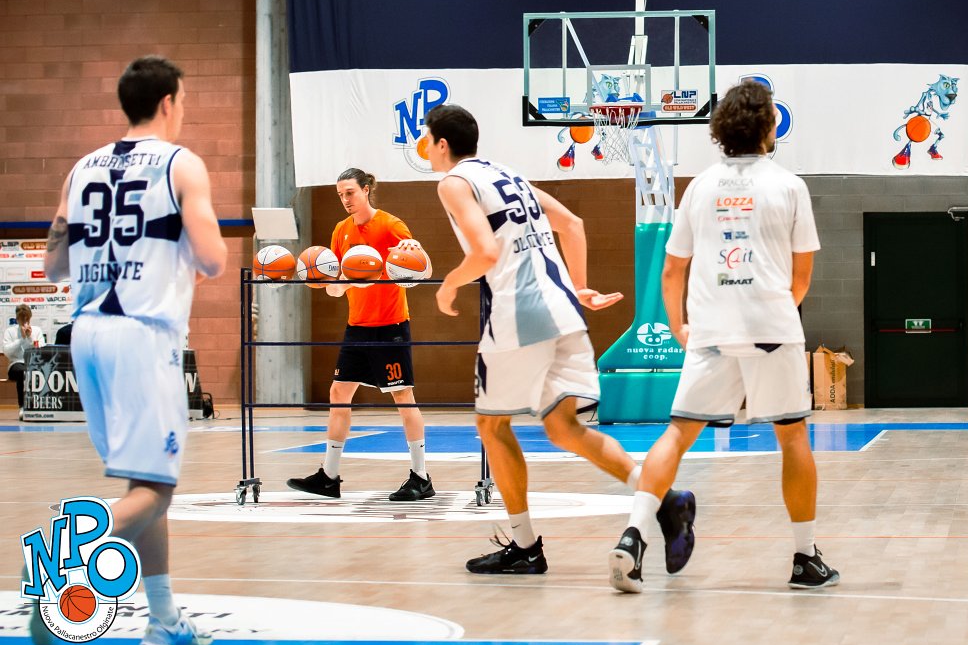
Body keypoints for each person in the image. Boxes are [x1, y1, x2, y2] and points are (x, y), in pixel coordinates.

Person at [421, 103, 677, 574]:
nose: (426, 148)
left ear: (441, 144)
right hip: (564, 313)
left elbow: (485, 252)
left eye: (426, 138)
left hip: (519, 315)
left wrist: (449, 284)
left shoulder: (453, 182)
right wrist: (579, 286)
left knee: (492, 427)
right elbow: (573, 224)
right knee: (565, 429)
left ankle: (525, 547)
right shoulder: (509, 175)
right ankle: (666, 498)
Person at [607, 80, 838, 594]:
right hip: (772, 328)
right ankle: (805, 558)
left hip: (710, 329)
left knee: (677, 434)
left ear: (721, 129)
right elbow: (801, 277)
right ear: (768, 126)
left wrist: (678, 326)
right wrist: (774, 314)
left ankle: (632, 535)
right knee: (793, 437)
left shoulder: (700, 186)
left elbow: (673, 270)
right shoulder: (789, 186)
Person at [40, 55, 227, 645]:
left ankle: (164, 618)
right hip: (143, 337)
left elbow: (53, 264)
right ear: (168, 101)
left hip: (87, 335)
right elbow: (214, 258)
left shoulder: (81, 167)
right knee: (156, 491)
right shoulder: (180, 163)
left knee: (146, 479)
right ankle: (67, 549)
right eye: (184, 100)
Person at [287, 168, 434, 501]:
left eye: (350, 192)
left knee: (403, 397)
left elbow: (422, 269)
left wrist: (417, 252)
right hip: (357, 327)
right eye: (340, 194)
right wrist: (336, 282)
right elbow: (334, 289)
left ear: (366, 189)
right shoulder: (341, 230)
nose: (345, 199)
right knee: (338, 392)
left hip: (391, 326)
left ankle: (421, 477)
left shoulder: (391, 225)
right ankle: (329, 476)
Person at [4, 305, 30, 407]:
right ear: (17, 318)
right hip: (16, 364)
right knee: (23, 371)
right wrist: (21, 340)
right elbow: (7, 352)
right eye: (22, 319)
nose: (25, 321)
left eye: (27, 318)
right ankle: (23, 405)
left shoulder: (36, 330)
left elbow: (41, 349)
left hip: (32, 363)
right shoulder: (10, 332)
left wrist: (30, 337)